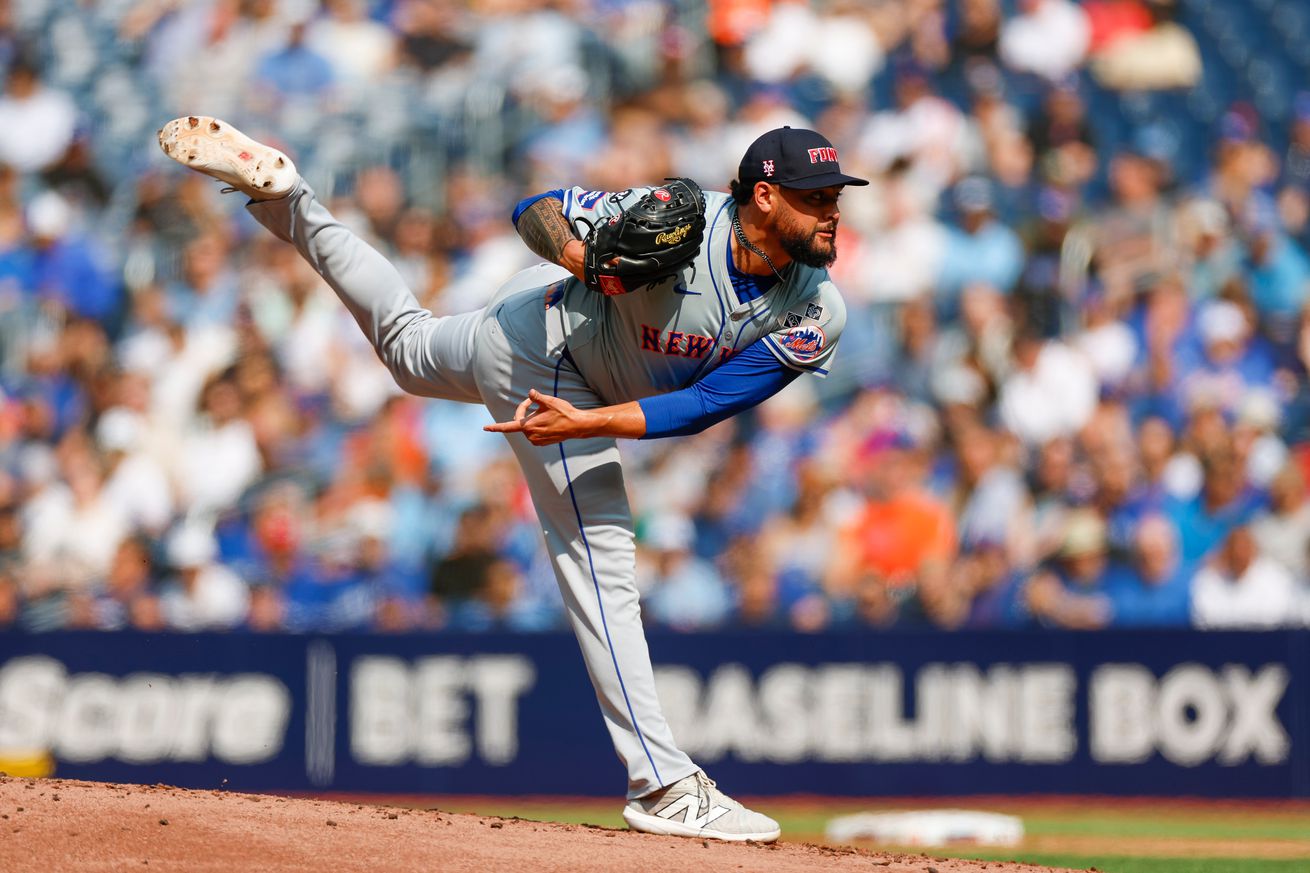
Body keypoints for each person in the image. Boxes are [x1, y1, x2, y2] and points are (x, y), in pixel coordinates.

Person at [158, 115, 867, 842]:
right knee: (602, 556)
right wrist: (582, 256)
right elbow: (535, 208)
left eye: (835, 194)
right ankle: (661, 781)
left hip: (558, 368)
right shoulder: (683, 218)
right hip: (547, 343)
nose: (831, 209)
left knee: (405, 348)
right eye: (815, 196)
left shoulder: (819, 307)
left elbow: (706, 403)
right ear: (763, 198)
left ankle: (290, 198)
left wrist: (587, 424)